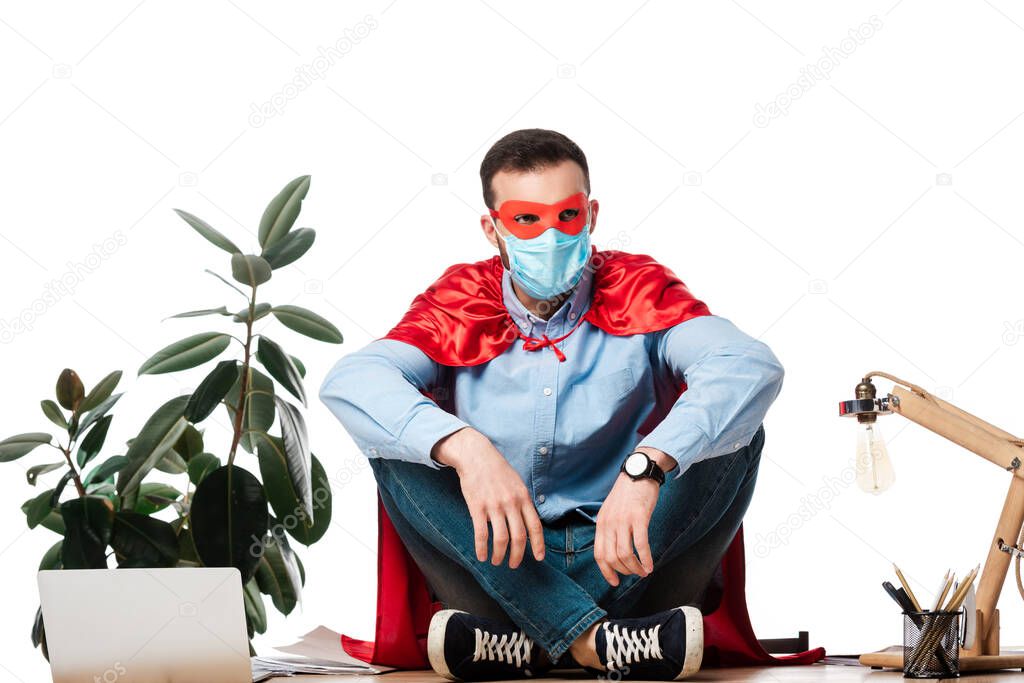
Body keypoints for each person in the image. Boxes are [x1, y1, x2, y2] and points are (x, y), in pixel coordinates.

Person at [319, 128, 784, 681]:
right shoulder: (460, 301)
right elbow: (352, 380)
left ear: (590, 215)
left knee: (735, 434)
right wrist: (466, 449)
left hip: (628, 558)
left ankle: (530, 644)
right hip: (499, 560)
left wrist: (647, 466)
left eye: (565, 217)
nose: (550, 236)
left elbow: (749, 366)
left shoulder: (640, 289)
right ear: (492, 229)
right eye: (526, 220)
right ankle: (595, 642)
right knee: (397, 442)